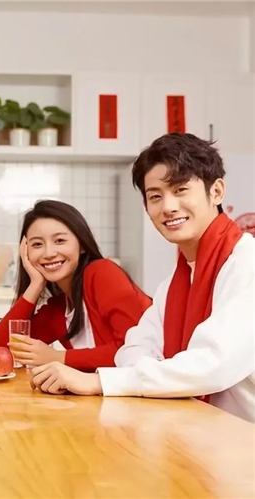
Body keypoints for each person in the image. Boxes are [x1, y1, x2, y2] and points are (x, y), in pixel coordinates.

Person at [30, 133, 255, 423]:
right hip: (203, 429)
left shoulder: (245, 263)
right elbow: (134, 347)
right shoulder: (178, 279)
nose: (168, 207)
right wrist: (144, 378)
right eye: (155, 196)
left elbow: (214, 365)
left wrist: (102, 381)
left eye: (181, 190)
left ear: (217, 191)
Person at [0, 200, 152, 372]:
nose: (49, 253)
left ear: (82, 245)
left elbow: (132, 352)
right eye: (37, 244)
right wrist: (35, 285)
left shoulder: (103, 273)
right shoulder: (58, 310)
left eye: (59, 241)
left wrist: (58, 357)